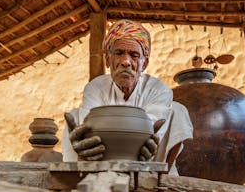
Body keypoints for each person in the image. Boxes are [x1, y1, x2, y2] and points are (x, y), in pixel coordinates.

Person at [62, 19, 193, 174]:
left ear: (144, 64)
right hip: (101, 155)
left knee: (178, 111)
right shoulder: (95, 87)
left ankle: (160, 182)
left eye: (134, 55)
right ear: (108, 60)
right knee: (74, 116)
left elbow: (148, 132)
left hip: (145, 156)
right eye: (119, 53)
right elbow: (90, 128)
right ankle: (80, 178)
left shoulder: (159, 89)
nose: (126, 61)